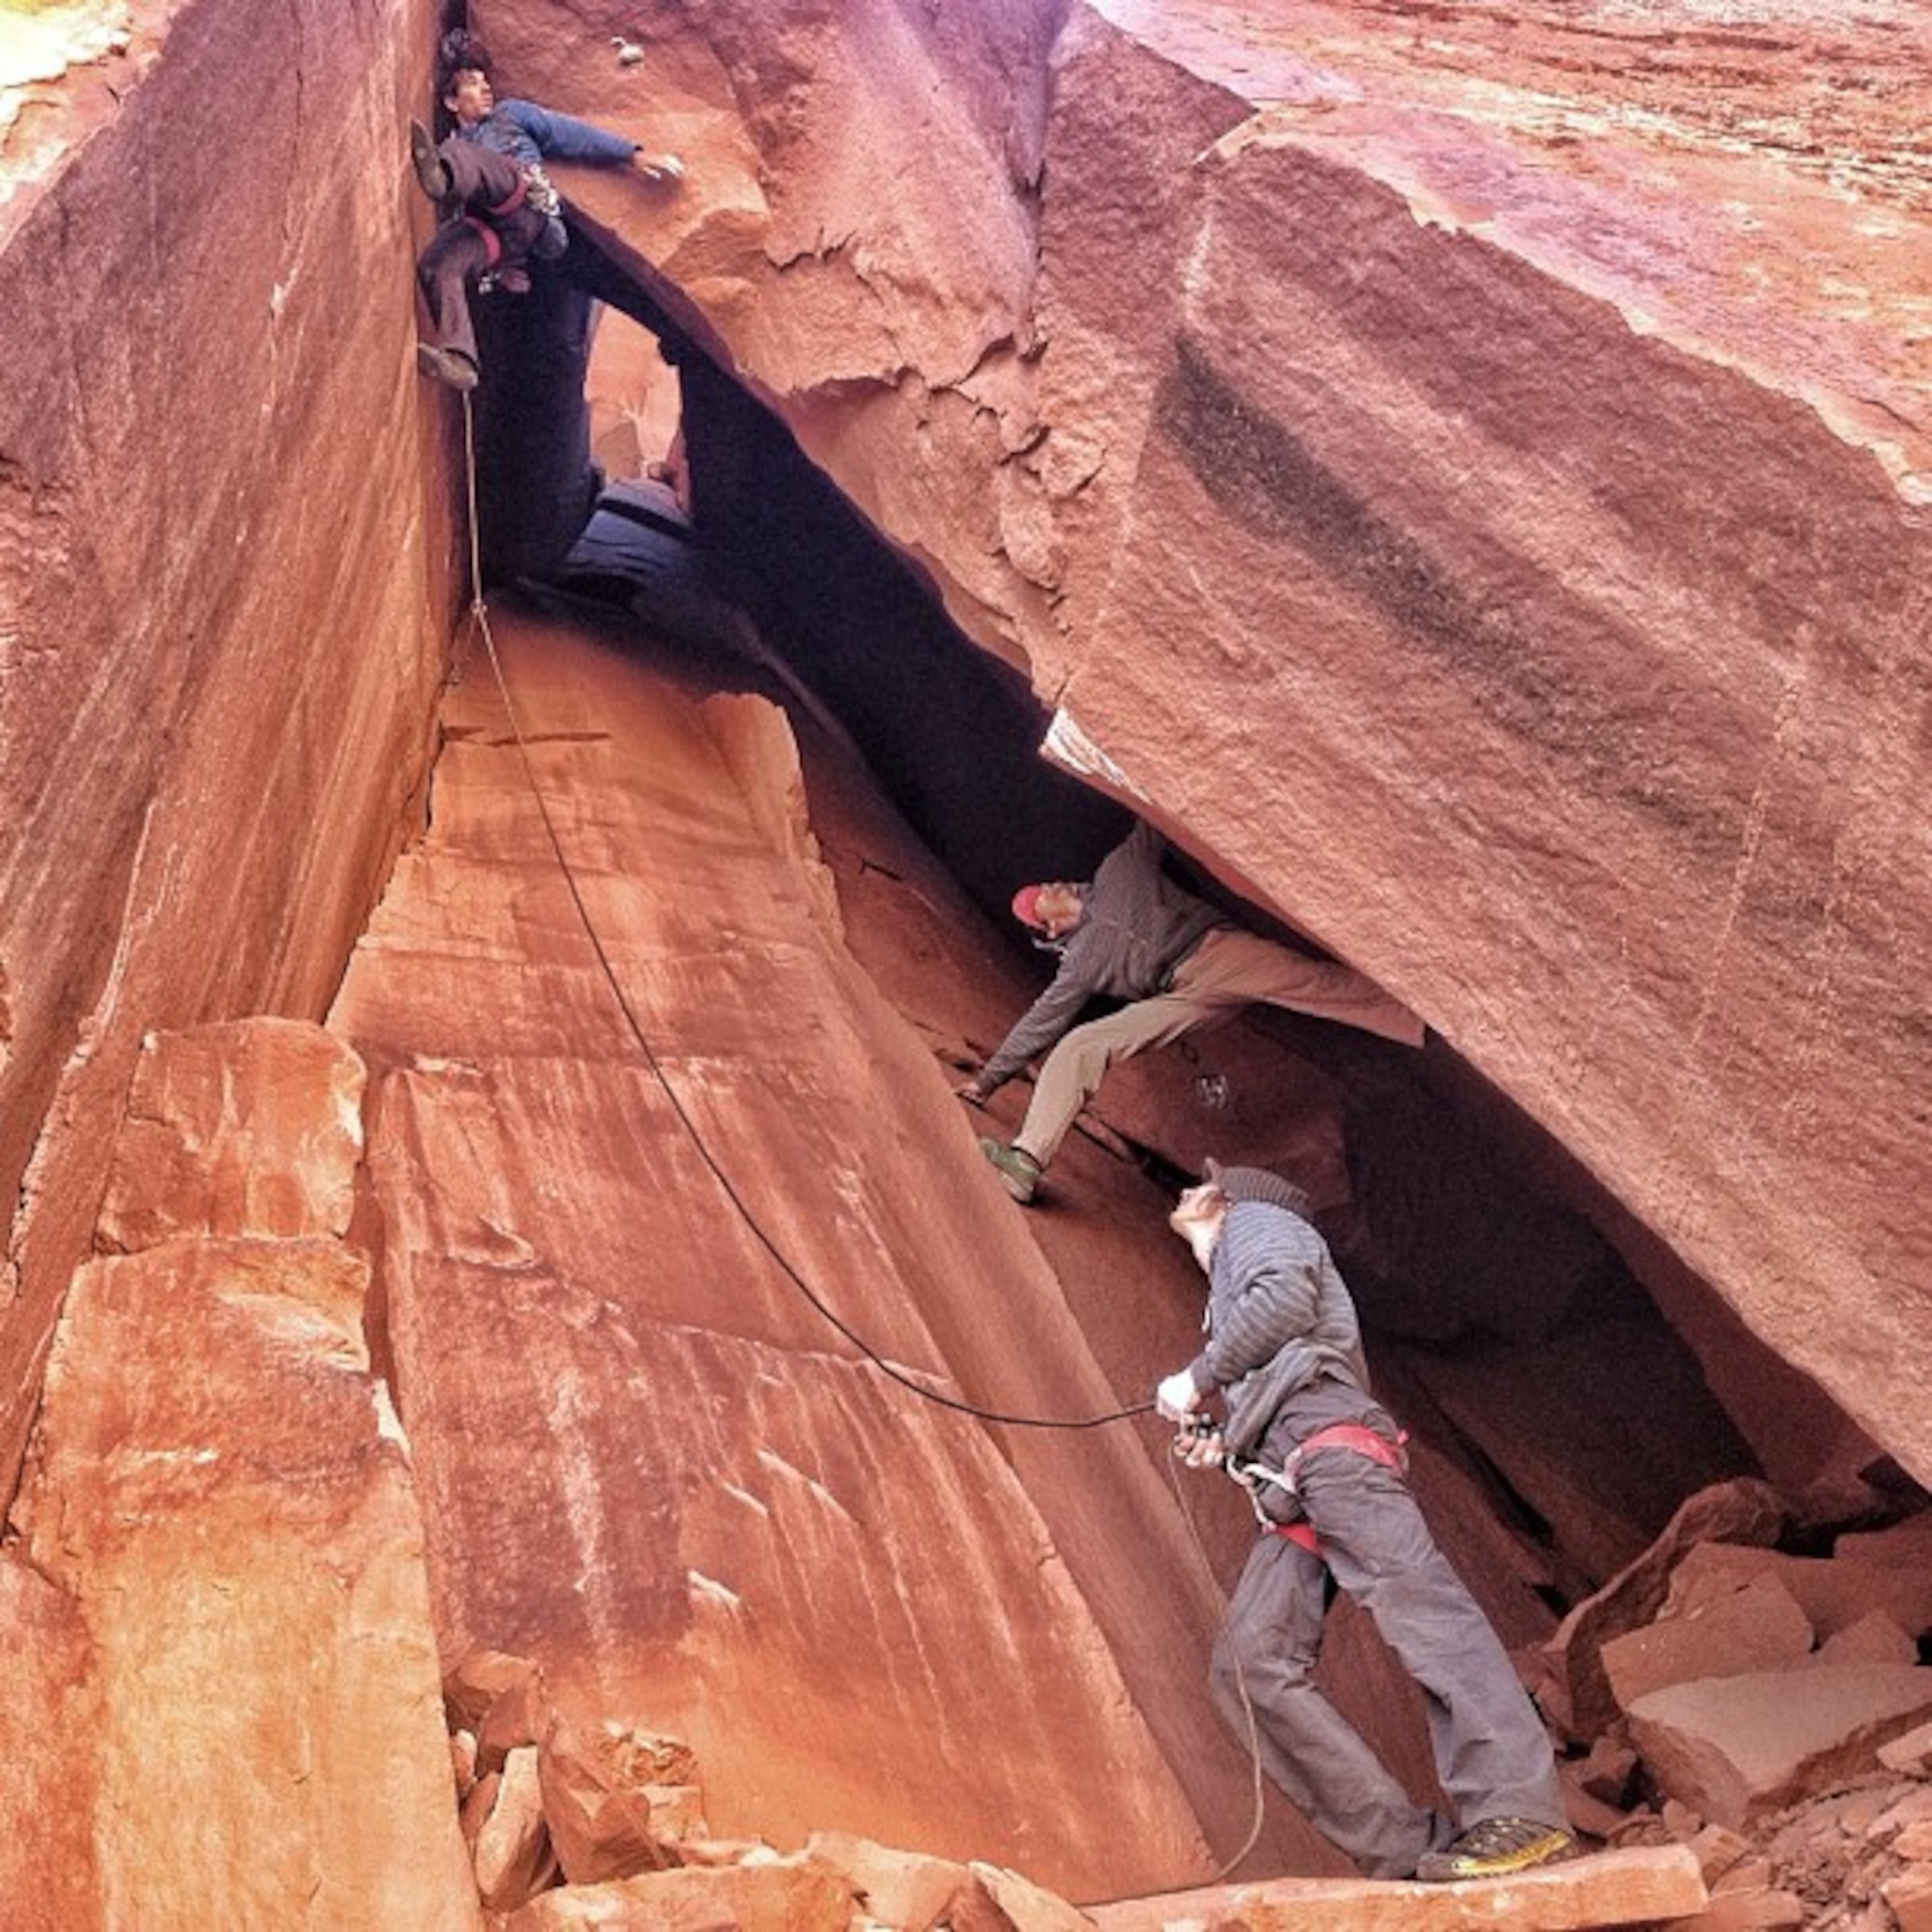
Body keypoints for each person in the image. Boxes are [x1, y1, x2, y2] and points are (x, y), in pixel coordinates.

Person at [1155, 1160, 1577, 1884]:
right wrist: (1225, 1446)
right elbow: (1278, 1360)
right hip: (1297, 1480)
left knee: (1426, 1614)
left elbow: (1285, 1298)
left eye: (1207, 1184)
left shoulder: (1259, 1225)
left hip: (1334, 1456)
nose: (1192, 1187)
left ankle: (1524, 1813)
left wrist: (1199, 1378)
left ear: (1234, 1200)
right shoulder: (1229, 1286)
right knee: (1249, 1665)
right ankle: (1406, 1852)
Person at [957, 821, 1424, 1202]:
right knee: (1080, 1044)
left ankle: (1419, 1018)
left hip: (1215, 953)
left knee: (1314, 983)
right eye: (1044, 896)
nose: (1055, 885)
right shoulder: (1080, 965)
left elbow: (1153, 819)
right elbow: (1041, 1022)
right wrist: (988, 1081)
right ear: (1051, 926)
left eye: (1048, 884)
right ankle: (1026, 1160)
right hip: (1181, 994)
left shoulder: (1119, 871)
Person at [411, 35, 684, 391]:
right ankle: (459, 360)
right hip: (496, 237)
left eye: (485, 82)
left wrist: (631, 155)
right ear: (451, 101)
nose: (487, 90)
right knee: (440, 262)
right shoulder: (455, 145)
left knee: (470, 160)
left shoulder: (508, 116)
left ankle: (440, 181)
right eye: (474, 85)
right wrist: (499, 269)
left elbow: (570, 135)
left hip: (525, 202)